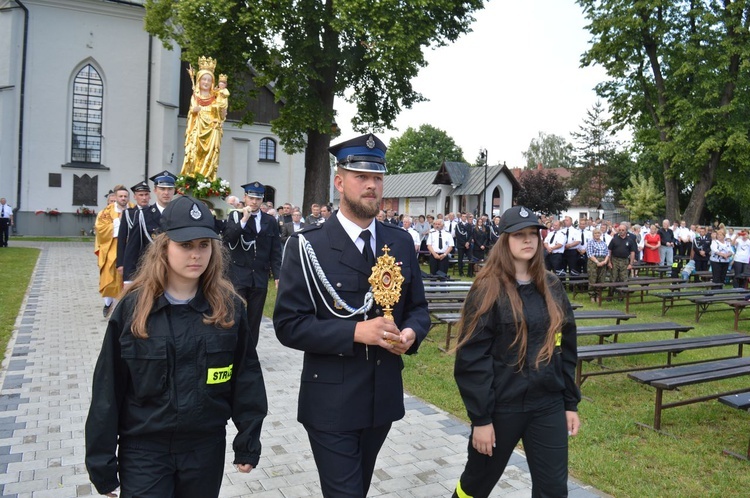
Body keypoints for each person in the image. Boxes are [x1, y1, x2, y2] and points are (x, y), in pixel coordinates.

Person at [273, 133, 430, 498]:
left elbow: (419, 309)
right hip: (332, 401)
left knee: (356, 488)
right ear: (339, 182)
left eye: (377, 177)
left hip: (382, 397)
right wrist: (356, 333)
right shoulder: (308, 245)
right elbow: (288, 325)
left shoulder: (401, 242)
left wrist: (411, 334)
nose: (371, 185)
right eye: (361, 177)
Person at [85, 195, 268, 498]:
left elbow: (246, 375)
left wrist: (248, 441)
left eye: (203, 245)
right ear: (164, 246)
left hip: (204, 449)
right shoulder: (133, 309)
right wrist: (102, 464)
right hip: (145, 449)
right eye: (185, 245)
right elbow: (108, 389)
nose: (195, 255)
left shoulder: (229, 309)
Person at [452, 205, 580, 498]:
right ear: (504, 241)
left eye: (533, 234)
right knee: (475, 485)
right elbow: (472, 358)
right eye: (519, 234)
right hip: (501, 408)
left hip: (547, 405)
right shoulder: (487, 287)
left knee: (554, 489)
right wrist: (481, 420)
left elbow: (566, 348)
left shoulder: (552, 285)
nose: (528, 240)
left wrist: (569, 403)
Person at [223, 181, 282, 347]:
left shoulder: (269, 221)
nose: (254, 202)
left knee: (254, 319)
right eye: (251, 198)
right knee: (235, 315)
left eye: (258, 198)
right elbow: (229, 239)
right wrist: (244, 220)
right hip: (239, 274)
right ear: (245, 198)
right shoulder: (235, 216)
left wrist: (277, 274)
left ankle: (250, 352)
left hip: (260, 276)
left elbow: (275, 250)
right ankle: (234, 349)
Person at [121, 171, 176, 284]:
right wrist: (128, 280)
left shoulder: (180, 214)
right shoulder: (143, 215)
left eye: (170, 189)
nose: (166, 193)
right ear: (155, 190)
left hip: (175, 273)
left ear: (174, 191)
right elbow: (132, 249)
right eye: (162, 189)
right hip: (149, 273)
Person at [180, 56, 227, 180]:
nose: (206, 82)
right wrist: (194, 111)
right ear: (199, 80)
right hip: (197, 128)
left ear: (212, 83)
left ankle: (207, 178)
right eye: (203, 79)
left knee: (210, 153)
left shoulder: (216, 97)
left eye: (209, 80)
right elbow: (192, 112)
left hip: (211, 130)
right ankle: (193, 176)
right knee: (195, 153)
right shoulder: (195, 96)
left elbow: (222, 116)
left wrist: (222, 108)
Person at [94, 185, 131, 317]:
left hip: (130, 247)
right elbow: (101, 229)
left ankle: (124, 305)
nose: (123, 198)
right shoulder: (106, 212)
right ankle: (109, 303)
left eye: (125, 196)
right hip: (112, 248)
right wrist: (117, 222)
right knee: (111, 276)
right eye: (120, 196)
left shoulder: (132, 209)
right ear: (115, 197)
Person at [117, 181, 151, 279]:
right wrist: (120, 263)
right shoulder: (129, 214)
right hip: (132, 259)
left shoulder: (154, 213)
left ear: (150, 196)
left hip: (149, 258)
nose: (144, 198)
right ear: (135, 197)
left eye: (146, 194)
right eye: (141, 195)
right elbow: (122, 239)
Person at [608, 223, 636, 290]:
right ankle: (610, 294)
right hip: (615, 260)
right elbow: (609, 251)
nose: (621, 231)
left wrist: (631, 264)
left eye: (623, 230)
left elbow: (632, 252)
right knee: (613, 278)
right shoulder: (614, 239)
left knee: (624, 278)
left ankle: (622, 294)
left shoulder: (630, 240)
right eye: (619, 230)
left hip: (625, 261)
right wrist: (609, 262)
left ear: (626, 231)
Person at [585, 228, 610, 303]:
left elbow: (607, 253)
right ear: (593, 234)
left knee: (601, 279)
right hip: (593, 262)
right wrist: (597, 262)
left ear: (600, 234)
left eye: (598, 233)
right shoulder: (590, 242)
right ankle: (592, 295)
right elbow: (589, 254)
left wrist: (605, 261)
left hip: (603, 261)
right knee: (593, 279)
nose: (597, 235)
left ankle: (599, 295)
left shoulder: (603, 243)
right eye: (595, 233)